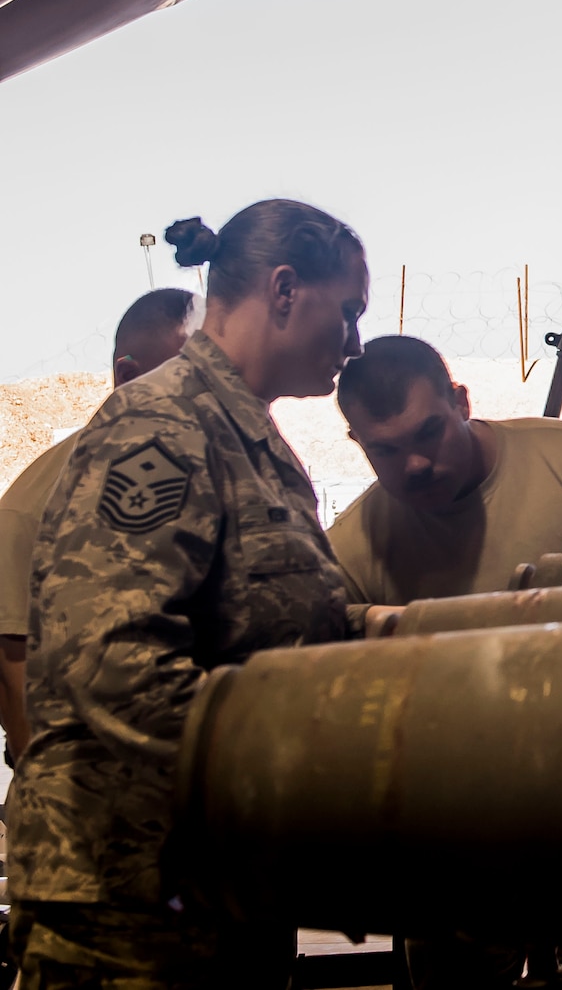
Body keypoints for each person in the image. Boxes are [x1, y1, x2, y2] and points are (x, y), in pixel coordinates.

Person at [9, 202, 365, 988]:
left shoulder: (252, 440)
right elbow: (112, 664)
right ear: (283, 290)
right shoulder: (162, 427)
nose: (355, 343)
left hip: (210, 885)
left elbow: (261, 626)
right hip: (126, 904)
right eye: (347, 312)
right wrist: (313, 771)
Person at [329, 335, 562, 608]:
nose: (415, 464)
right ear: (357, 440)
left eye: (429, 433)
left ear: (460, 403)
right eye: (385, 450)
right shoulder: (351, 553)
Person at [0, 289, 200, 763]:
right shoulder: (32, 508)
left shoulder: (211, 478)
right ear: (128, 376)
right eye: (192, 383)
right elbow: (18, 684)